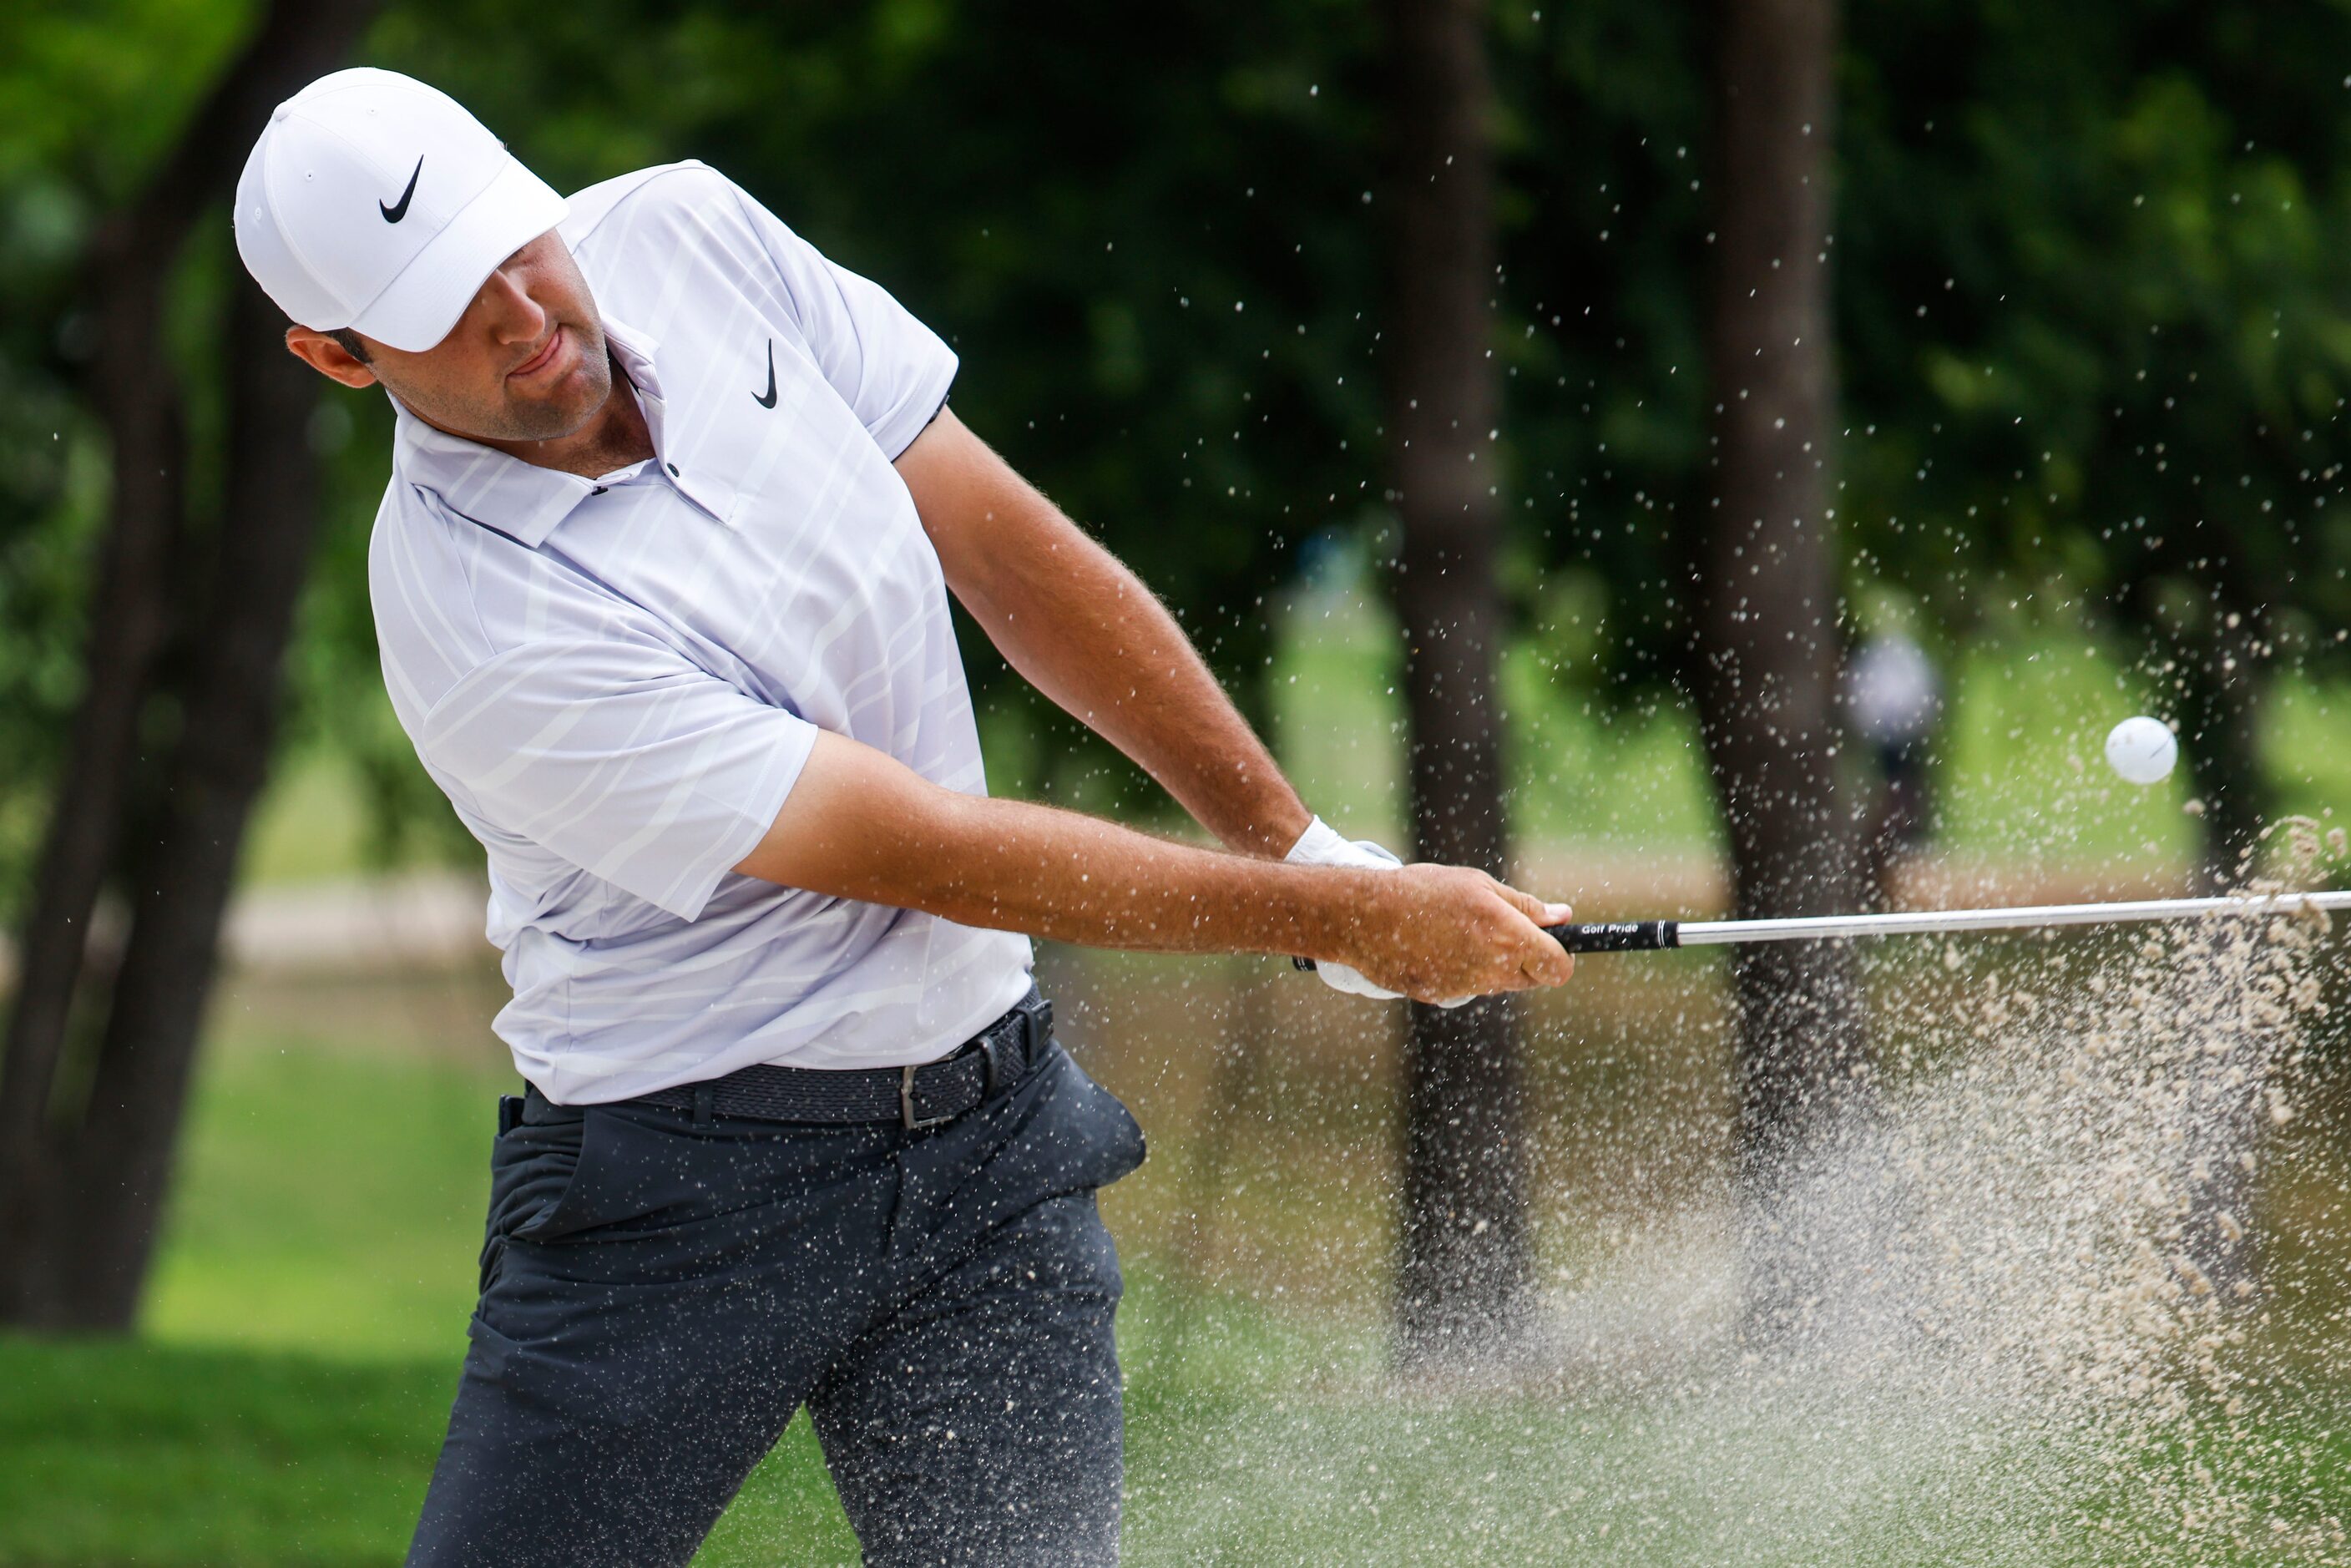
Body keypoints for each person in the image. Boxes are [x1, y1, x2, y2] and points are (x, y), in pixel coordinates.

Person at [234, 68, 1575, 1567]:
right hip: (682, 1194)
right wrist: (1337, 921)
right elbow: (923, 850)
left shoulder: (690, 235)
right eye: (438, 301)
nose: (520, 310)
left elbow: (1010, 555)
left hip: (986, 1142)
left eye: (512, 241)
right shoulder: (474, 614)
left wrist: (1302, 848)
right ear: (337, 357)